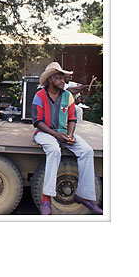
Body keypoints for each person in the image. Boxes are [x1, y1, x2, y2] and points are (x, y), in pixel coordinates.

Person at [32, 62, 102, 215]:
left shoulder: (67, 96)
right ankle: (46, 199)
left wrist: (70, 135)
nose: (63, 81)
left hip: (63, 132)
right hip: (45, 133)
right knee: (54, 150)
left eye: (64, 78)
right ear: (50, 79)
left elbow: (72, 119)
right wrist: (57, 136)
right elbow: (37, 121)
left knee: (87, 151)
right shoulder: (40, 96)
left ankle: (84, 196)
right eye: (59, 78)